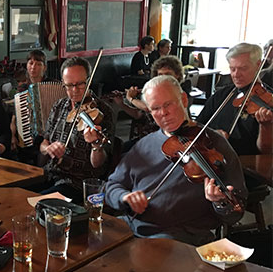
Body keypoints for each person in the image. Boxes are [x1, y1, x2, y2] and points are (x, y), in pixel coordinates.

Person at [105, 75, 247, 246]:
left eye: (168, 104)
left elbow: (235, 213)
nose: (163, 113)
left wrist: (219, 201)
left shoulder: (214, 144)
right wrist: (125, 197)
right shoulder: (143, 145)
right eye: (155, 108)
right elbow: (111, 186)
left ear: (184, 99)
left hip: (179, 237)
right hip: (131, 227)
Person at [38, 57, 115, 203]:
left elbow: (99, 165)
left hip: (77, 185)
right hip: (49, 175)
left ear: (89, 80)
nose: (75, 90)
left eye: (80, 84)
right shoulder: (59, 106)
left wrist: (96, 146)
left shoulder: (103, 112)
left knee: (39, 203)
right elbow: (43, 143)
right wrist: (49, 148)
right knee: (16, 196)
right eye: (69, 85)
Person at [196, 42, 273, 156]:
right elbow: (197, 127)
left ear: (258, 65)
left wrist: (266, 127)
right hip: (213, 159)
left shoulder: (268, 101)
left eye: (243, 68)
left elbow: (266, 151)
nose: (236, 75)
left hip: (245, 166)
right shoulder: (221, 95)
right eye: (232, 69)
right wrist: (212, 135)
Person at [117, 55, 193, 150]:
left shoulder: (180, 90)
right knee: (120, 149)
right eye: (160, 75)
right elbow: (137, 114)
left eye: (168, 74)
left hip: (169, 138)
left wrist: (131, 99)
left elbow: (147, 108)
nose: (163, 78)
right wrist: (121, 104)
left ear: (177, 75)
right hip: (147, 137)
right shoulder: (154, 92)